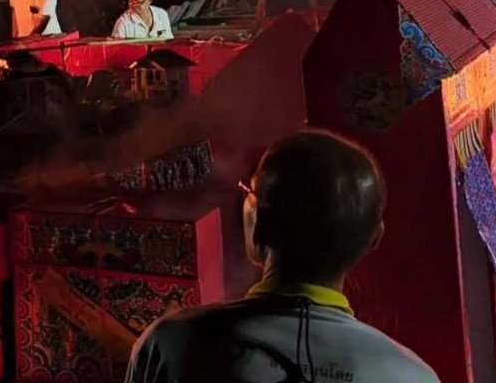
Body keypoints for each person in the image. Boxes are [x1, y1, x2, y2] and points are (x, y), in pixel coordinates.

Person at [127, 130, 440, 383]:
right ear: (374, 240)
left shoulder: (172, 345)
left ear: (259, 222)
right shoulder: (414, 376)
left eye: (249, 193)